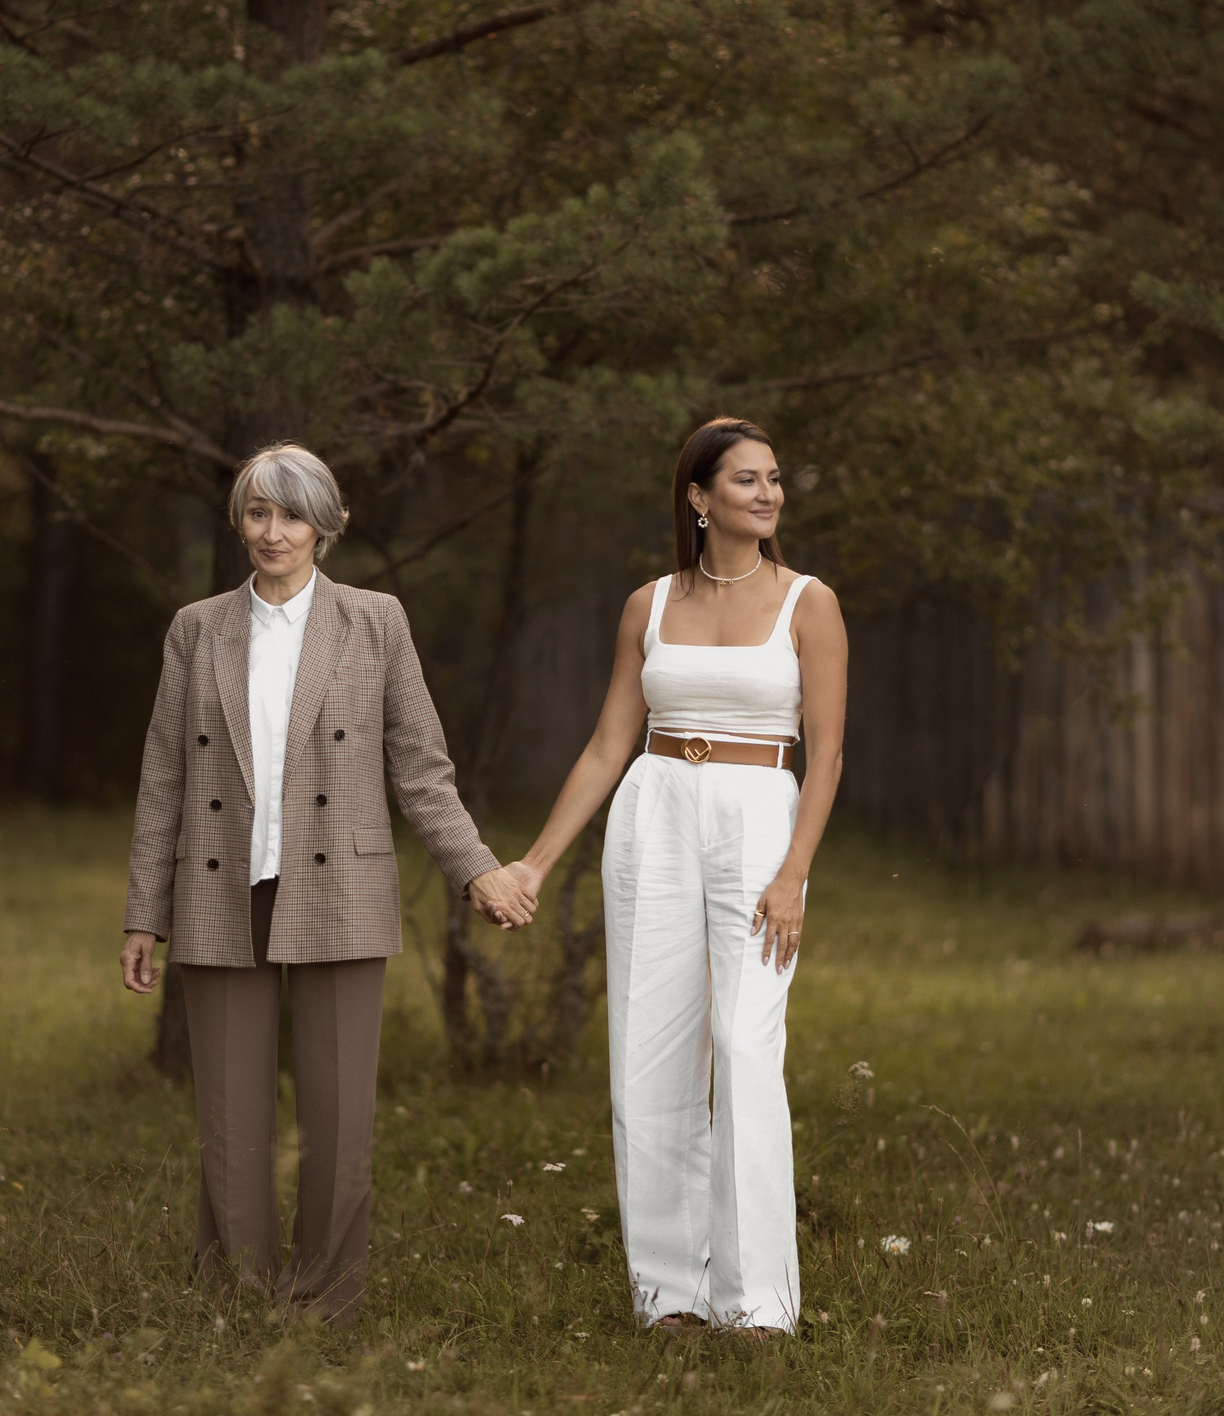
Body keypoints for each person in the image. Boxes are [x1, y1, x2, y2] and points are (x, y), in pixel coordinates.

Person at [119, 442, 536, 1323]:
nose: (274, 532)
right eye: (259, 512)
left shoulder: (375, 620)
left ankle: (324, 1296)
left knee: (340, 1112)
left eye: (293, 513)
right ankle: (235, 1288)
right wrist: (143, 914)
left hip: (342, 886)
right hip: (219, 883)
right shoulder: (196, 628)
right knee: (231, 1114)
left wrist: (477, 869)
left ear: (327, 525)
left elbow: (420, 767)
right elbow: (164, 776)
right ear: (240, 521)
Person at [497, 417, 847, 1335]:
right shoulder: (647, 604)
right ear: (699, 498)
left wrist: (793, 873)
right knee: (649, 1052)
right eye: (746, 480)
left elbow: (833, 753)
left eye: (774, 479)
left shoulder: (810, 601)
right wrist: (534, 860)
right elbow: (610, 742)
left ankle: (758, 1303)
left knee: (743, 1046)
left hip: (760, 817)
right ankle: (670, 1296)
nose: (769, 493)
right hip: (654, 810)